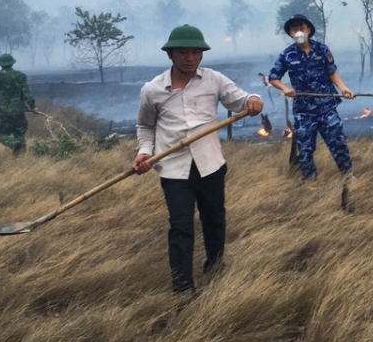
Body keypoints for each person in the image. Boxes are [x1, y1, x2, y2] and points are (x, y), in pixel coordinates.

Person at [133, 25, 263, 297]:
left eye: (195, 52)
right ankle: (182, 286)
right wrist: (144, 152)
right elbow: (145, 127)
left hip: (210, 165)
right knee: (181, 226)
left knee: (214, 219)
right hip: (173, 170)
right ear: (170, 54)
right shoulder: (152, 90)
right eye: (183, 52)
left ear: (202, 55)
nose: (190, 58)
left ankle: (215, 267)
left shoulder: (214, 80)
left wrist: (253, 100)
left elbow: (239, 99)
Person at [267, 15, 354, 181]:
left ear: (309, 29)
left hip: (327, 107)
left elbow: (332, 72)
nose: (298, 31)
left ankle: (348, 176)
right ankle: (309, 181)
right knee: (305, 149)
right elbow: (273, 78)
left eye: (301, 27)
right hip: (304, 111)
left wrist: (343, 88)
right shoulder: (287, 55)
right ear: (290, 33)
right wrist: (286, 89)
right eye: (294, 29)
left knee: (338, 142)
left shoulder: (322, 49)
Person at [0, 53, 36, 154]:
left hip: (3, 111)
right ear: (12, 63)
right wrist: (33, 107)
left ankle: (13, 144)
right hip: (19, 110)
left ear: (0, 64)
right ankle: (21, 156)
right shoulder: (21, 76)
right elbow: (27, 93)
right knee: (20, 133)